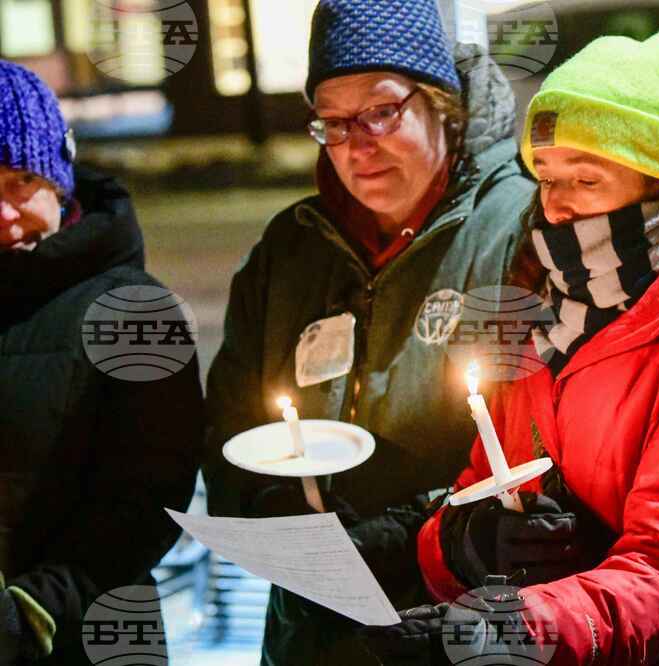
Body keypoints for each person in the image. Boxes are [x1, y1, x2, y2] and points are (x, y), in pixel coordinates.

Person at [363, 30, 659, 665]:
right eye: (545, 176)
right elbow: (481, 477)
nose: (555, 205)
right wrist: (464, 543)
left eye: (585, 178)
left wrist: (516, 630)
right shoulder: (544, 306)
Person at [199, 1, 535, 664]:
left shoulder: (519, 231)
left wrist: (411, 534)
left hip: (464, 624)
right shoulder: (290, 251)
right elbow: (230, 428)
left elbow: (545, 453)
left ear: (443, 105)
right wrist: (270, 507)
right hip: (314, 633)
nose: (357, 146)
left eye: (381, 112)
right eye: (333, 121)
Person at [0, 61, 202, 664]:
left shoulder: (134, 310)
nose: (3, 213)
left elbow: (147, 503)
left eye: (20, 181)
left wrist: (29, 611)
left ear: (59, 179)